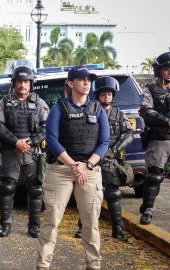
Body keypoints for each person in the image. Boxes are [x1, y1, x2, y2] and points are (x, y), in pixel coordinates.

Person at [36, 66, 109, 270]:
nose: (87, 83)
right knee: (51, 220)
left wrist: (86, 165)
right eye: (82, 79)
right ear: (70, 83)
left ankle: (93, 264)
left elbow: (104, 142)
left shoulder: (98, 110)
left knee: (91, 221)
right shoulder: (58, 109)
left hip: (89, 170)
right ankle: (43, 264)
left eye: (89, 80)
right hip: (60, 171)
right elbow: (52, 140)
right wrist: (73, 165)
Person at [73, 76, 133, 241]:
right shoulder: (89, 111)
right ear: (97, 95)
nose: (106, 97)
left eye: (109, 94)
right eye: (103, 94)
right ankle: (82, 228)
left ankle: (118, 230)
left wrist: (116, 149)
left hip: (111, 160)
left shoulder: (119, 114)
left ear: (113, 95)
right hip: (92, 159)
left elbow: (129, 134)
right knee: (89, 196)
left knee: (113, 195)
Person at [0, 65, 49, 238]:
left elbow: (46, 127)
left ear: (31, 84)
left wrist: (30, 142)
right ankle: (5, 225)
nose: (22, 85)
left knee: (35, 190)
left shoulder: (39, 102)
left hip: (32, 153)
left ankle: (34, 226)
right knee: (7, 188)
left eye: (26, 82)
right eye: (19, 82)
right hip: (11, 152)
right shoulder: (4, 102)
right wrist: (15, 142)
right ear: (14, 83)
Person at [138, 51, 170, 225]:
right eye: (167, 69)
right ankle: (148, 209)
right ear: (159, 71)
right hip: (160, 137)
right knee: (154, 176)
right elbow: (145, 111)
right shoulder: (150, 89)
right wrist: (165, 120)